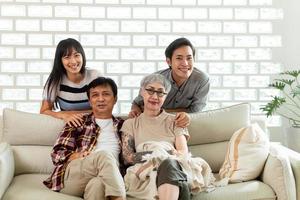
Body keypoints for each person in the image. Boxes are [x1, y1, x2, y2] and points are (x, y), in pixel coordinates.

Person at [121, 74, 215, 200]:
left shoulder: (176, 121)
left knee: (169, 164)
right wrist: (157, 155)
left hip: (173, 166)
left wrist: (165, 157)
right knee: (171, 170)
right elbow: (127, 157)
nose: (155, 96)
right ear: (142, 92)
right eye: (150, 90)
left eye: (161, 93)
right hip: (147, 171)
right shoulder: (130, 123)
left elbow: (182, 152)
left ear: (166, 96)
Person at [43, 77, 126, 200]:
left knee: (97, 185)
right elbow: (56, 154)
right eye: (95, 95)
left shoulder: (123, 126)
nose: (101, 99)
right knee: (104, 155)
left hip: (107, 177)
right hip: (74, 177)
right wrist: (74, 155)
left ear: (115, 99)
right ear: (90, 101)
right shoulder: (78, 122)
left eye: (106, 94)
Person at [129, 37, 210, 118]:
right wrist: (135, 112)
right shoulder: (155, 79)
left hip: (184, 124)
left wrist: (160, 111)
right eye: (179, 58)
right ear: (169, 62)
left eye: (189, 58)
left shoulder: (202, 80)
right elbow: (137, 104)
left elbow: (196, 112)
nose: (185, 63)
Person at [40, 38, 101, 127]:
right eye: (67, 57)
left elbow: (104, 109)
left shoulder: (95, 76)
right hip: (70, 126)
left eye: (76, 55)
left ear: (82, 56)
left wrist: (70, 113)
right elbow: (44, 111)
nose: (73, 61)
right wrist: (63, 115)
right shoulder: (55, 80)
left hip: (94, 124)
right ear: (60, 61)